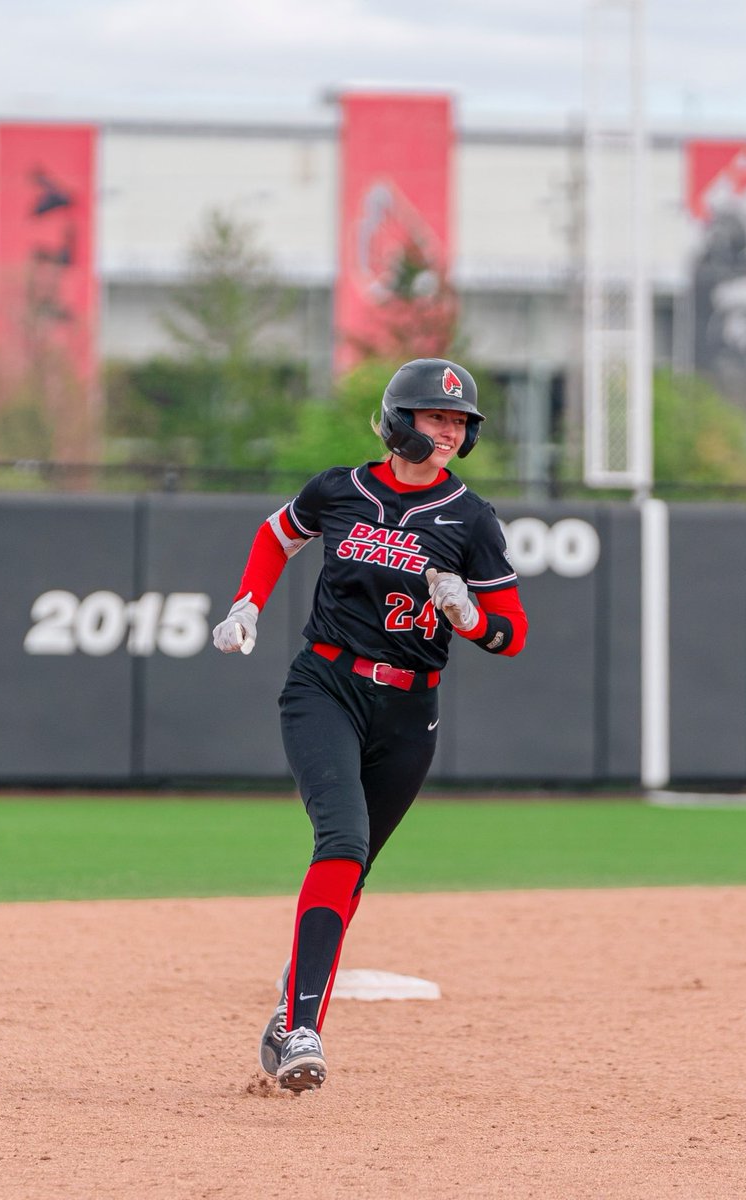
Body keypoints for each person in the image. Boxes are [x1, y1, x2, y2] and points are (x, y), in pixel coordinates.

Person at [212, 357, 528, 1092]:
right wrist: (246, 603)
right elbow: (275, 536)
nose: (449, 431)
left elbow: (511, 634)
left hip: (409, 709)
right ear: (397, 422)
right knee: (342, 841)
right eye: (435, 417)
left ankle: (291, 1004)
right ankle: (302, 1031)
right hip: (324, 684)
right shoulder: (338, 488)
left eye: (459, 422)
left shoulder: (470, 519)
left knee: (352, 871)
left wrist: (470, 616)